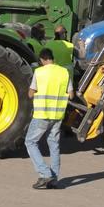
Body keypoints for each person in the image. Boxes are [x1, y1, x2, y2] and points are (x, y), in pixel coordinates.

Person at [26, 48, 71, 190]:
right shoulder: (64, 72)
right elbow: (71, 95)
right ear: (52, 58)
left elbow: (30, 94)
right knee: (54, 144)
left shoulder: (39, 72)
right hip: (58, 115)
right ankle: (54, 179)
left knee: (30, 142)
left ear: (42, 60)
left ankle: (45, 173)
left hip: (42, 114)